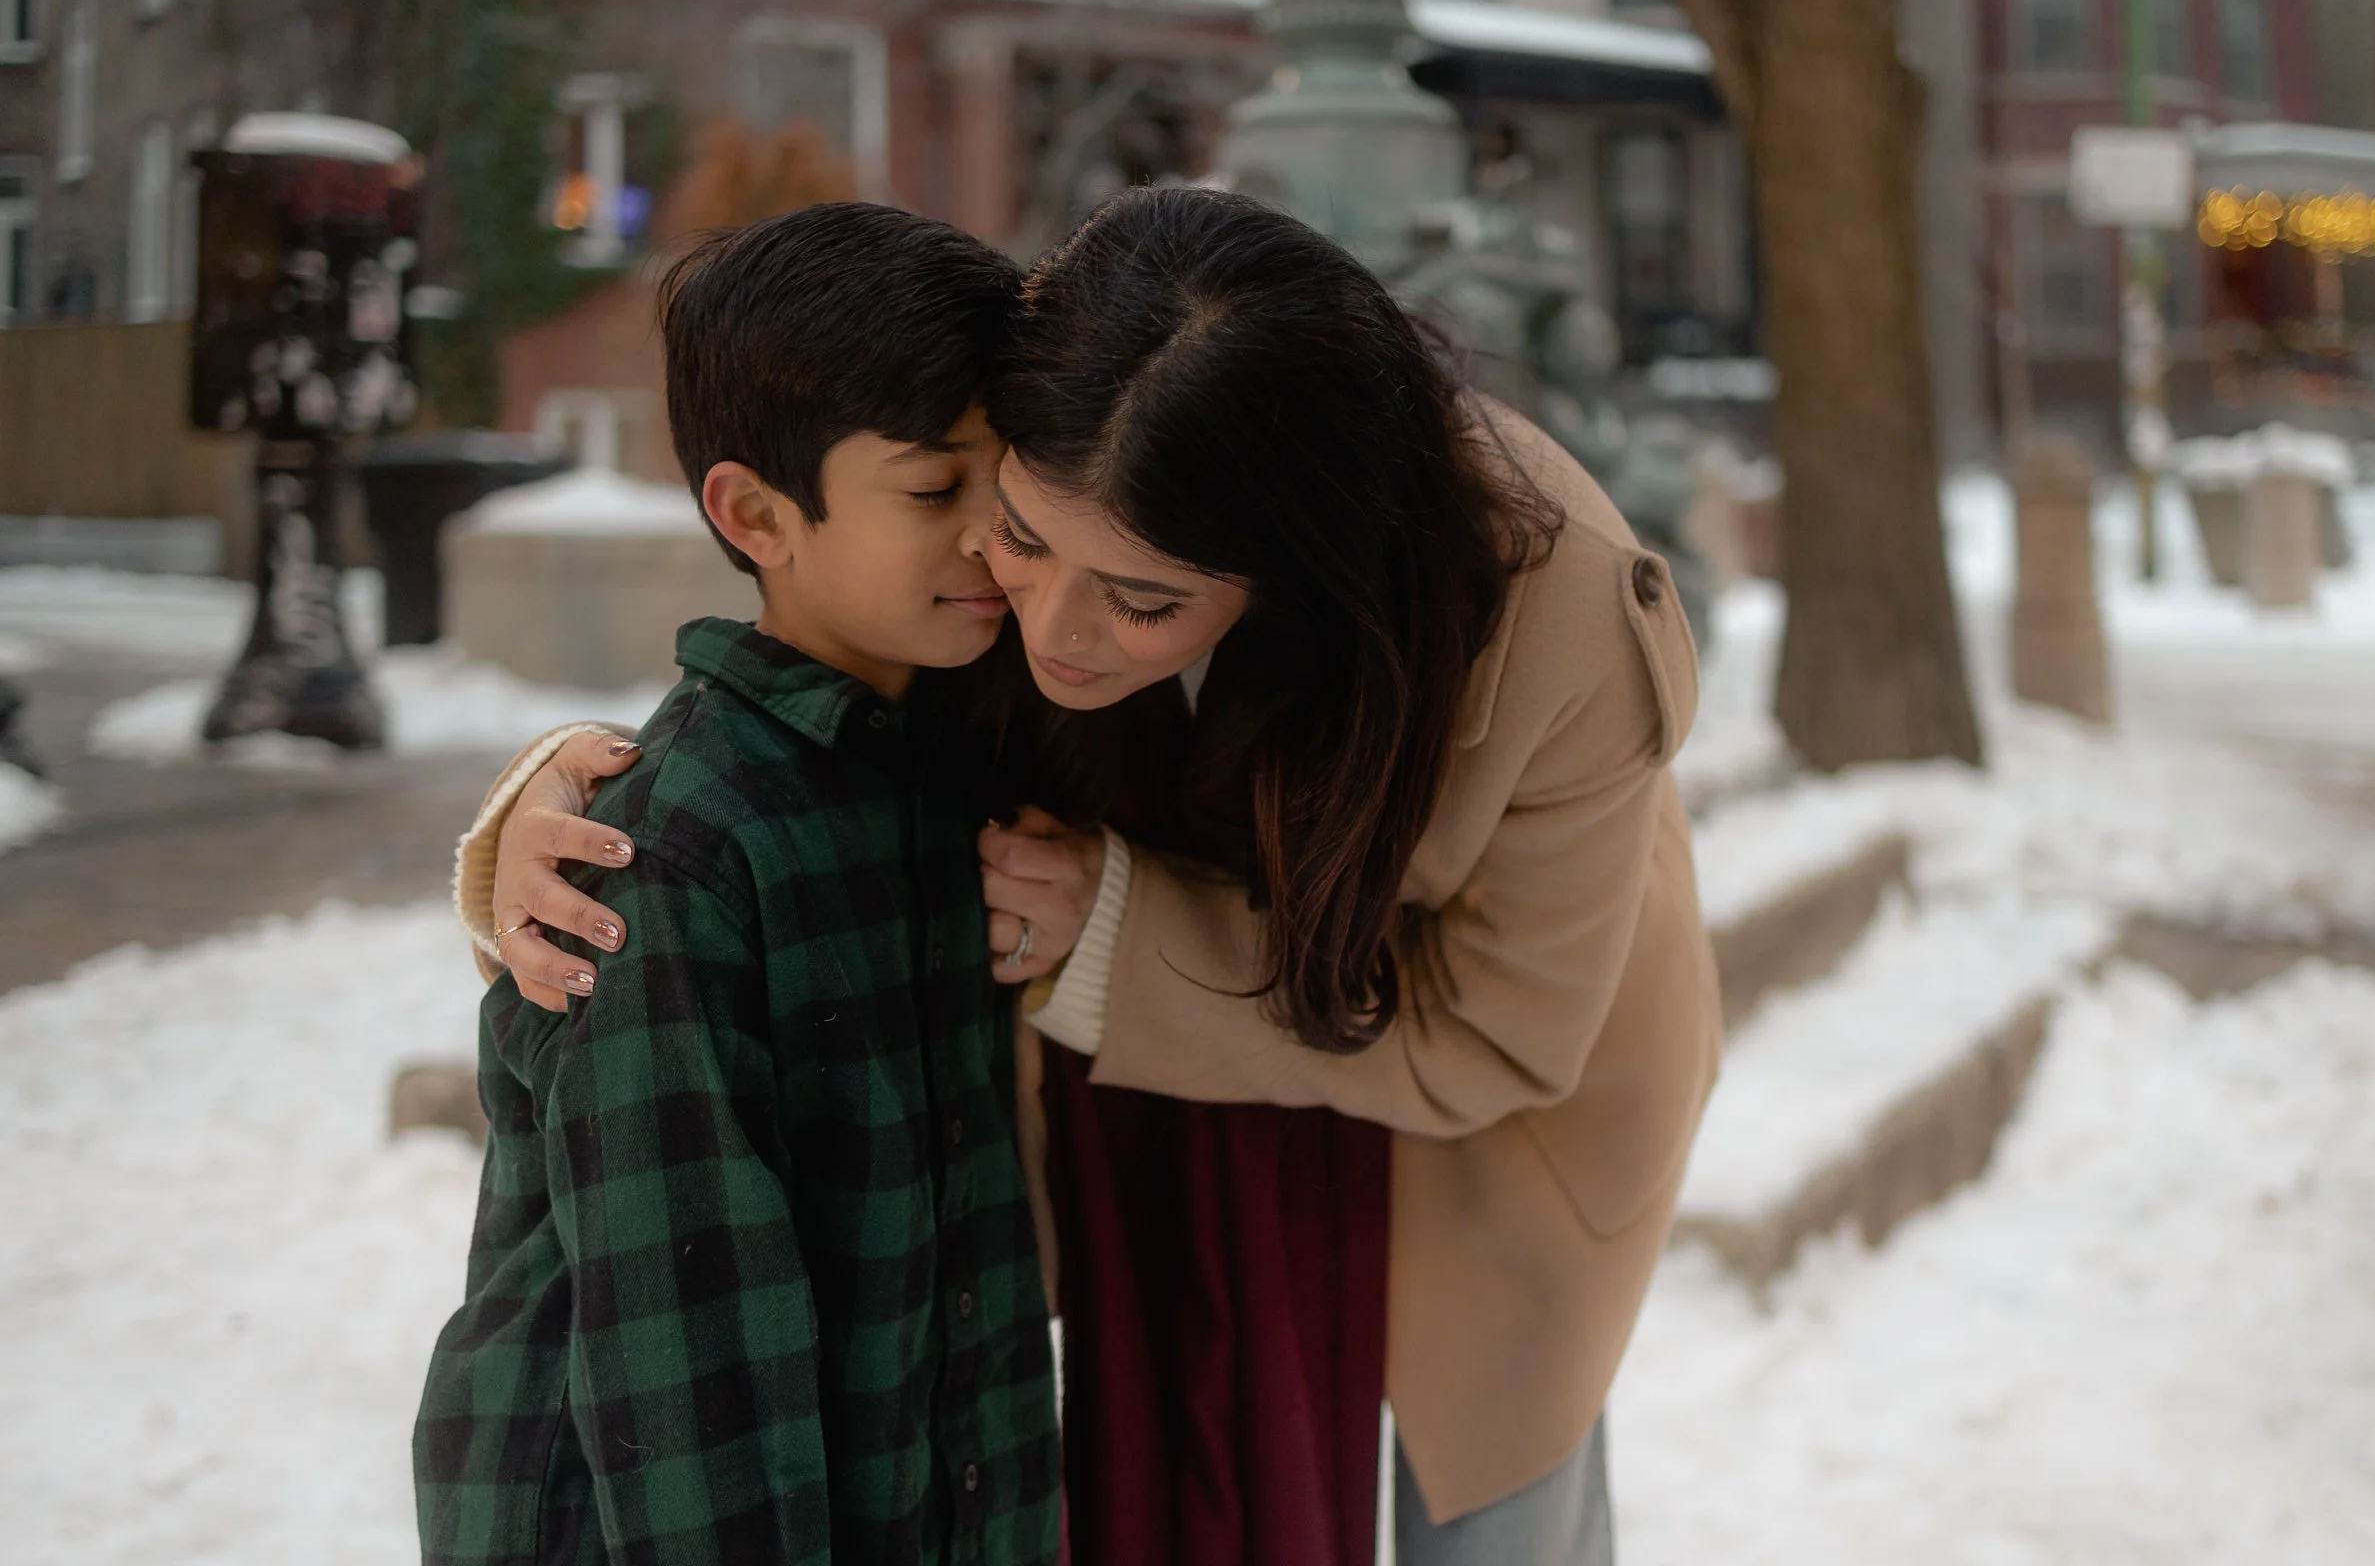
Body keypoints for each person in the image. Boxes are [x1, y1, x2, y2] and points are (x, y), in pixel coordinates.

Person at [469, 187, 1720, 1566]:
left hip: (1479, 1110)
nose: (1054, 633)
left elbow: (1497, 1031)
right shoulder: (1061, 424)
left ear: (1289, 570)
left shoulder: (1555, 611)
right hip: (1141, 1108)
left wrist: (1118, 931)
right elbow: (812, 660)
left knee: (1491, 1505)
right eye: (1022, 534)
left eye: (1143, 600)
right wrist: (572, 806)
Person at [412, 204, 1060, 1566]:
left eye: (1011, 486)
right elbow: (687, 1350)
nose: (991, 540)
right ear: (756, 515)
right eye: (935, 492)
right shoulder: (674, 858)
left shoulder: (951, 751)